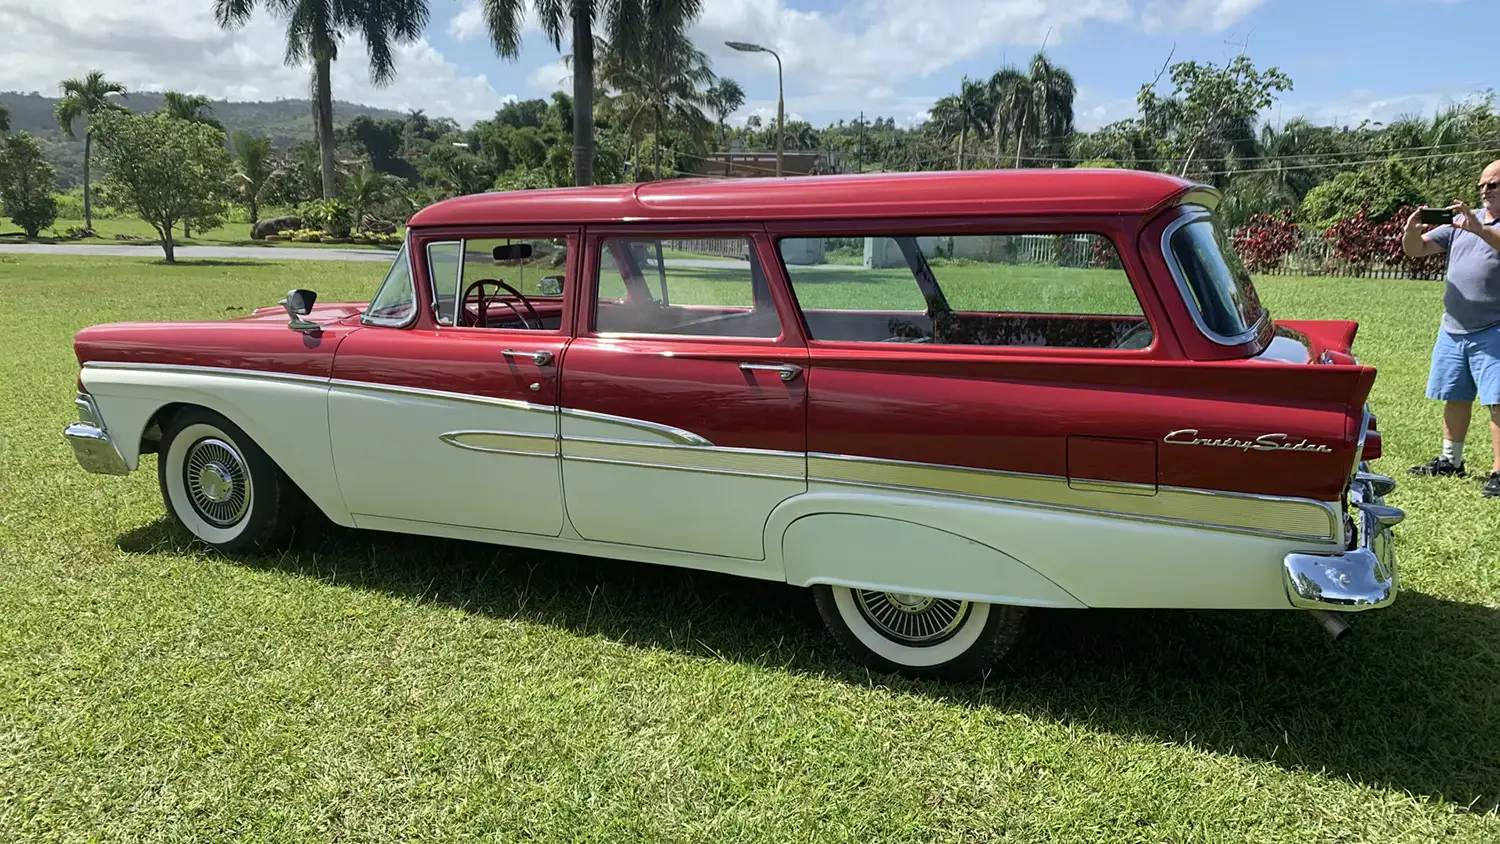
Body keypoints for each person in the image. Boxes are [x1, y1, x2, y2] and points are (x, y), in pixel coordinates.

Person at [1402, 159, 1500, 496]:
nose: (1485, 191)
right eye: (1481, 185)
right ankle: (1451, 461)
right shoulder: (1460, 221)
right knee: (1455, 395)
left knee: (1498, 401)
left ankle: (1499, 472)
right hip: (1454, 328)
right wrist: (1411, 232)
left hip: (1494, 329)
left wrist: (1479, 229)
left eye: (1493, 184)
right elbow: (1418, 250)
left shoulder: (1473, 224)